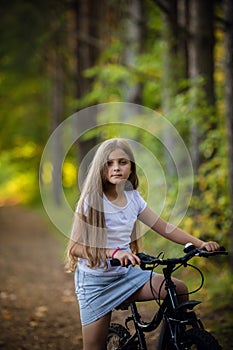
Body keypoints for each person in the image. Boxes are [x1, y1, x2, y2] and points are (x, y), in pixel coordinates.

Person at [67, 138, 220, 350]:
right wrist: (113, 253)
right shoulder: (91, 201)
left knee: (178, 289)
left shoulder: (133, 197)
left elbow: (164, 227)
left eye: (123, 162)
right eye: (109, 163)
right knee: (94, 347)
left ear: (131, 167)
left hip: (126, 275)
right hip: (96, 282)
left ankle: (173, 343)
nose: (116, 168)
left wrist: (200, 244)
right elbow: (74, 248)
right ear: (100, 168)